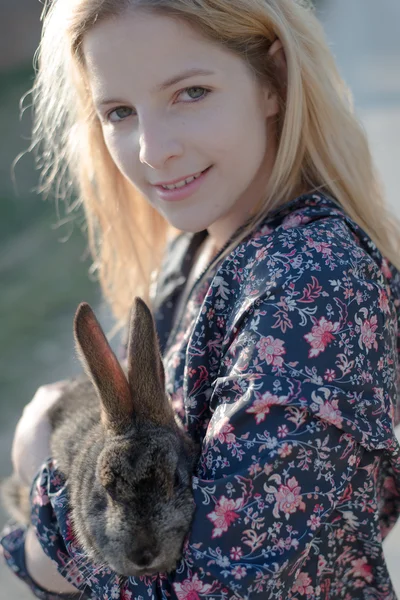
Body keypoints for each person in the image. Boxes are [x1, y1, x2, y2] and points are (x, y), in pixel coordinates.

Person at [1, 0, 400, 597]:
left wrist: (41, 494)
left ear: (274, 82)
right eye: (119, 111)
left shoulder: (307, 286)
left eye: (190, 92)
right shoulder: (199, 246)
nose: (152, 150)